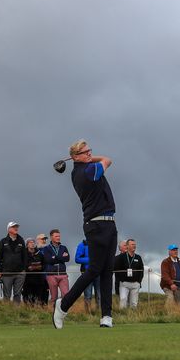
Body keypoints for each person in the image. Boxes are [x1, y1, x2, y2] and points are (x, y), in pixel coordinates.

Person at [53, 140, 117, 329]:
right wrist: (88, 159)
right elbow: (108, 160)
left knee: (107, 270)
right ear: (75, 157)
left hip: (109, 224)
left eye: (90, 150)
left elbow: (103, 160)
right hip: (95, 225)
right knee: (94, 270)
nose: (90, 153)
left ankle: (106, 316)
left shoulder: (85, 167)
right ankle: (63, 305)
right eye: (85, 152)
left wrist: (83, 157)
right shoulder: (86, 172)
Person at [0, 222, 28, 304]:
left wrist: (24, 270)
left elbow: (25, 256)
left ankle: (15, 313)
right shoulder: (3, 241)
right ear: (9, 229)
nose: (16, 228)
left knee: (17, 294)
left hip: (19, 273)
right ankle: (7, 313)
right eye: (13, 227)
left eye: (16, 227)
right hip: (6, 273)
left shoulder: (21, 240)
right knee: (6, 295)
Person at [43, 229, 71, 308]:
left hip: (63, 275)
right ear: (51, 237)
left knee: (66, 295)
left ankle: (64, 312)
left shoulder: (64, 247)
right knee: (54, 297)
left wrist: (55, 257)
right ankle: (53, 313)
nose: (58, 238)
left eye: (59, 236)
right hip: (51, 275)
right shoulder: (46, 249)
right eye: (56, 236)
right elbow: (48, 260)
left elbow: (67, 258)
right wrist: (61, 257)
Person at [113, 239, 144, 309]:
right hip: (124, 284)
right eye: (132, 244)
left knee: (134, 303)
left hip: (135, 284)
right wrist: (122, 280)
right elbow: (116, 269)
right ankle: (123, 318)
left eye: (135, 244)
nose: (134, 246)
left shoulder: (138, 257)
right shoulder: (120, 257)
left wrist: (139, 282)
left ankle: (132, 318)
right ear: (127, 246)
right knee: (123, 300)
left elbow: (141, 270)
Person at [76, 238, 99, 310]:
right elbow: (77, 259)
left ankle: (100, 313)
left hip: (99, 273)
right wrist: (91, 259)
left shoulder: (100, 244)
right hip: (87, 273)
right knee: (88, 295)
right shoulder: (82, 245)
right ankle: (87, 314)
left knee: (99, 295)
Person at [22, 238, 47, 305]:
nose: (32, 244)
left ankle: (38, 310)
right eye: (30, 242)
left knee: (38, 297)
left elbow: (44, 264)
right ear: (27, 245)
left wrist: (41, 267)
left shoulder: (39, 253)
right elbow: (22, 265)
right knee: (28, 297)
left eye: (33, 242)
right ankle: (28, 310)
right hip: (27, 280)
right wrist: (28, 268)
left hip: (38, 279)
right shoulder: (23, 254)